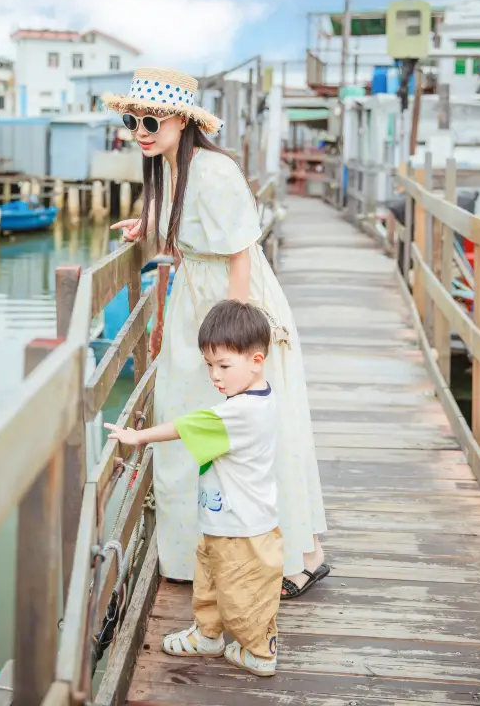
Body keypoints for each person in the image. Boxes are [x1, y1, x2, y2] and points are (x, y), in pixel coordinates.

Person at [104, 67, 328, 599]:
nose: (141, 129)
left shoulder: (212, 170)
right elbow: (193, 230)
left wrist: (235, 333)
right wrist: (150, 225)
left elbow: (239, 254)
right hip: (195, 300)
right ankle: (195, 553)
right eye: (133, 120)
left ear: (181, 121)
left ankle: (301, 556)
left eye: (151, 119)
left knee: (256, 426)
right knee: (191, 417)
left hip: (230, 302)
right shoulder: (171, 168)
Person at [105, 300, 282, 677]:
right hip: (228, 521)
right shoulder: (259, 396)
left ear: (256, 360)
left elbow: (183, 427)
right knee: (211, 577)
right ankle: (208, 634)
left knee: (242, 591)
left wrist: (138, 436)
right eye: (209, 366)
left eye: (223, 366)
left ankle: (259, 652)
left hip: (243, 528)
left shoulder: (238, 413)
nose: (214, 376)